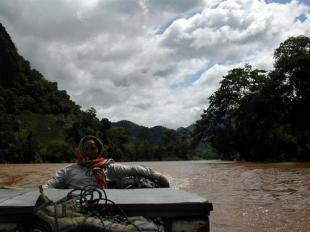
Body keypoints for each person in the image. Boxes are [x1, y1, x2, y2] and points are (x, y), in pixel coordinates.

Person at [44, 135, 170, 189]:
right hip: (75, 206)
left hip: (103, 206)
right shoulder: (69, 169)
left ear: (98, 151)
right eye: (86, 149)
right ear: (80, 151)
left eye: (93, 148)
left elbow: (134, 169)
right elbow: (52, 183)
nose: (89, 152)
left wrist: (158, 176)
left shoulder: (108, 168)